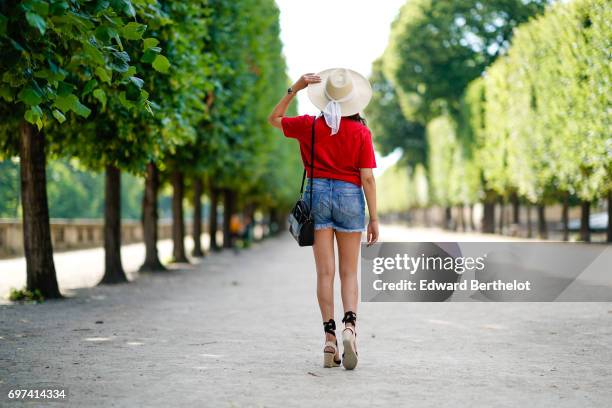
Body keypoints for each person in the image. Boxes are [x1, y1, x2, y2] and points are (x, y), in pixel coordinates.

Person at [268, 68, 379, 370]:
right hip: (349, 197)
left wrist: (297, 87)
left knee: (325, 274)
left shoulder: (309, 127)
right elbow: (367, 178)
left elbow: (274, 119)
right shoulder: (361, 132)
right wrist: (374, 218)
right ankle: (350, 328)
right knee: (349, 273)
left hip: (317, 196)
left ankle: (329, 339)